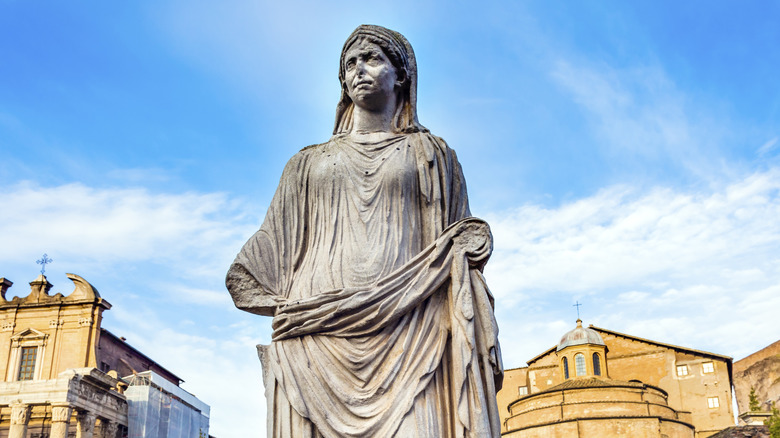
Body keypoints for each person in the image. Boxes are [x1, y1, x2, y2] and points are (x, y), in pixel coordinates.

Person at [227, 25, 502, 438]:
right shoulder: (306, 163)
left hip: (413, 324)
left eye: (372, 58)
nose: (359, 70)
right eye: (350, 64)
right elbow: (263, 253)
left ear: (402, 74)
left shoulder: (432, 154)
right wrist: (285, 306)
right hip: (316, 332)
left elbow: (459, 248)